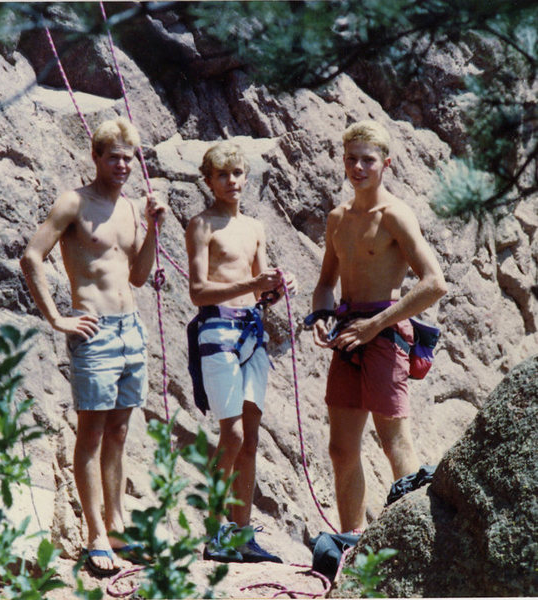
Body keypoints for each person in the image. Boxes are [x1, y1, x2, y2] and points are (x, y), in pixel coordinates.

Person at [20, 118, 167, 577]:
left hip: (131, 329)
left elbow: (139, 275)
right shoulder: (74, 202)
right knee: (92, 434)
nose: (122, 165)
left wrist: (154, 228)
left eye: (129, 157)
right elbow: (31, 257)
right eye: (114, 156)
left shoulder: (129, 209)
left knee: (120, 433)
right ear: (96, 156)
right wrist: (58, 317)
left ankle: (118, 525)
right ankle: (95, 536)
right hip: (94, 330)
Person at [309, 120, 447, 533]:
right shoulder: (338, 218)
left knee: (395, 442)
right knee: (340, 449)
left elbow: (434, 282)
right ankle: (350, 542)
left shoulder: (395, 214)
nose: (358, 167)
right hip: (348, 334)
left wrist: (377, 324)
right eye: (351, 159)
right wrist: (320, 317)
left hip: (384, 332)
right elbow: (323, 284)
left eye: (367, 160)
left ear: (385, 163)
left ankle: (414, 542)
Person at [185, 141, 297, 563]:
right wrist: (253, 287)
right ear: (209, 180)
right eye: (222, 175)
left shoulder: (254, 228)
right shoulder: (201, 224)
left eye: (237, 174)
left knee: (249, 438)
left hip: (252, 332)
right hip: (216, 329)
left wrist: (277, 286)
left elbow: (260, 288)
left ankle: (242, 535)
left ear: (246, 178)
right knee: (229, 434)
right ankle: (214, 531)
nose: (231, 181)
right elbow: (197, 291)